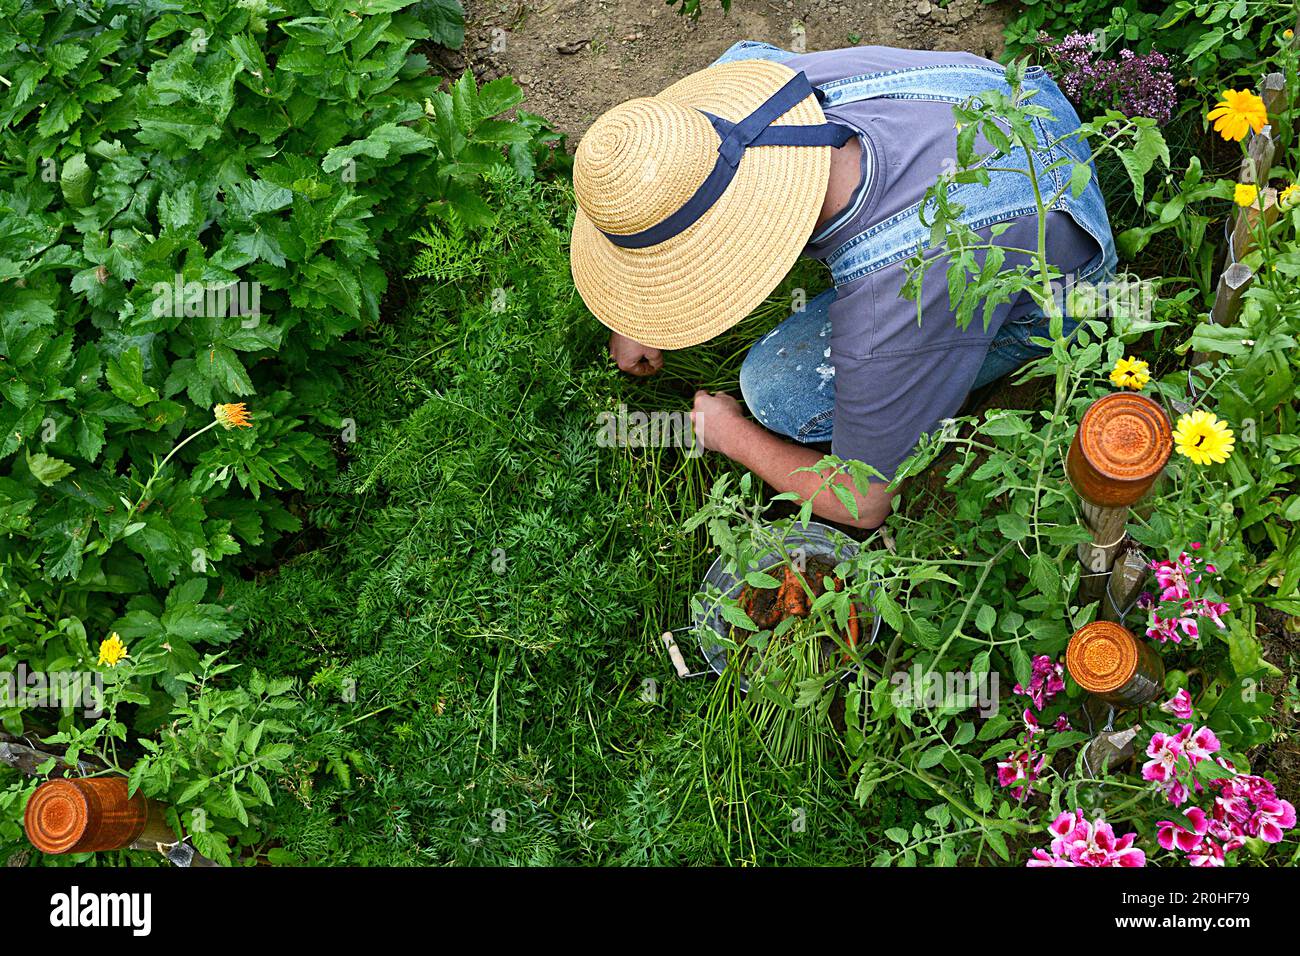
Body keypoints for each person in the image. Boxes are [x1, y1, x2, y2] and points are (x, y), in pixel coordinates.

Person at [569, 42, 1115, 529]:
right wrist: (635, 311)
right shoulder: (751, 85)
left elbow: (864, 499)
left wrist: (727, 433)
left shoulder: (894, 299)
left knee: (775, 390)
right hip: (1011, 103)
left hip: (1057, 279)